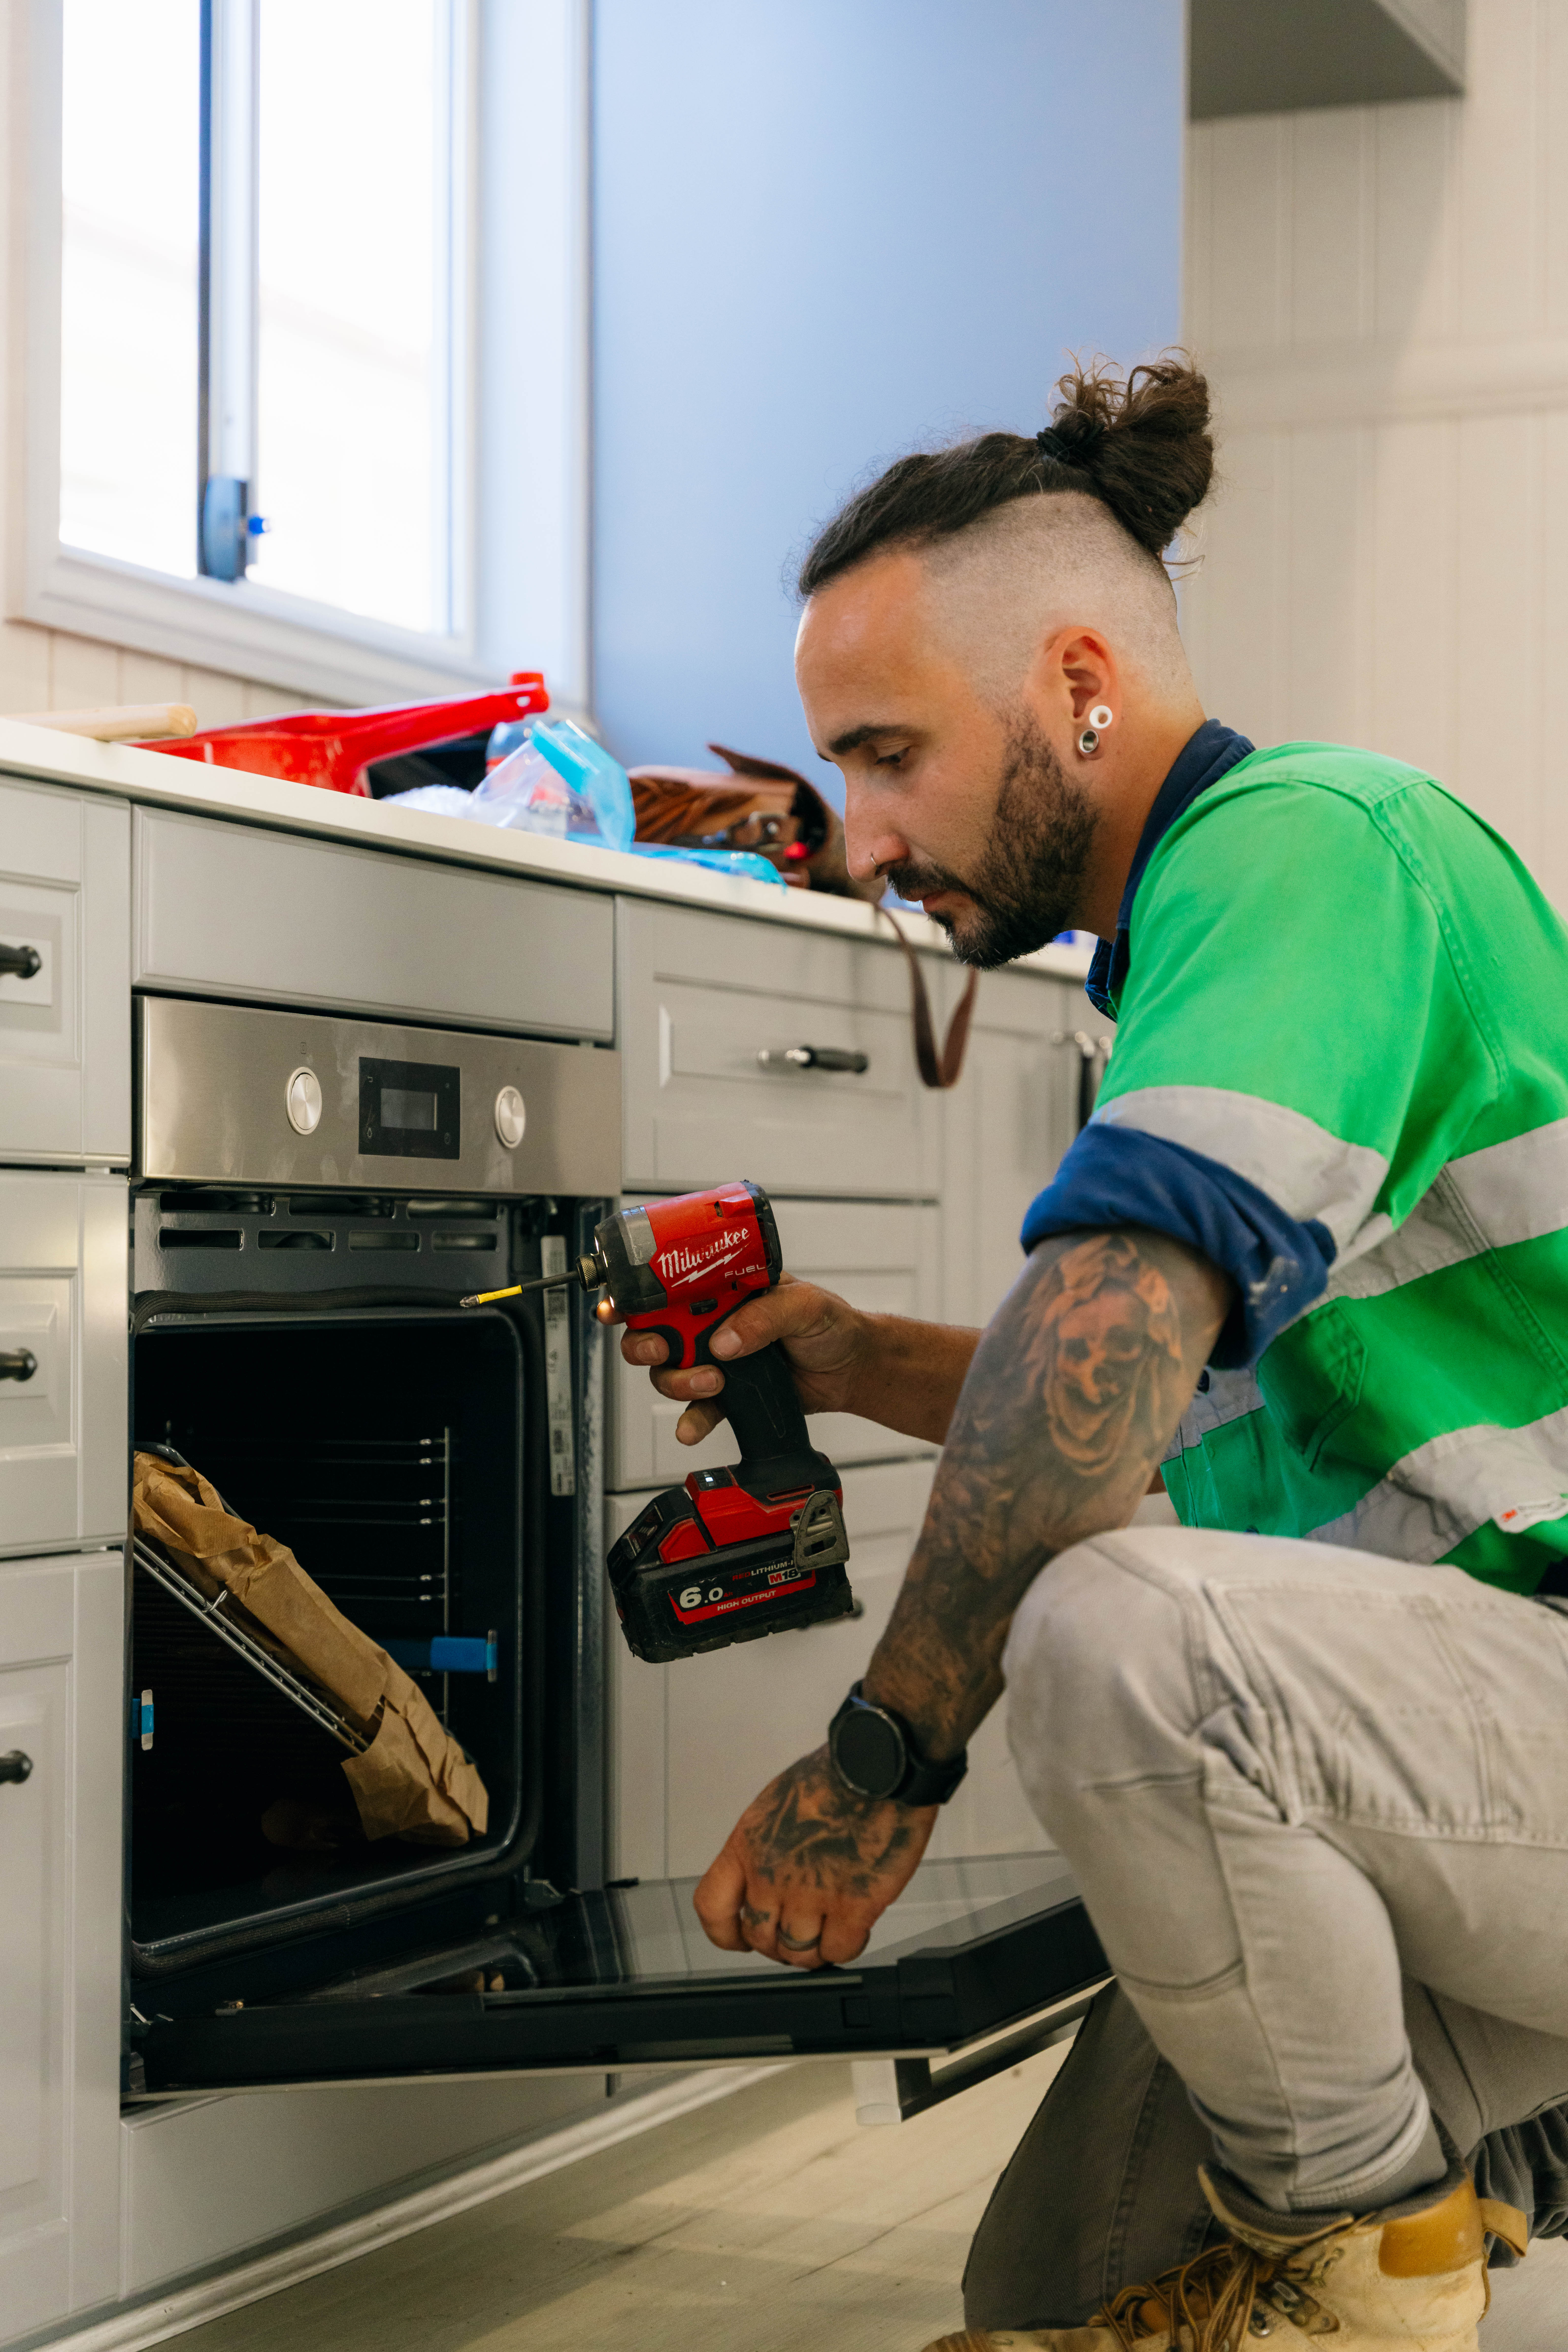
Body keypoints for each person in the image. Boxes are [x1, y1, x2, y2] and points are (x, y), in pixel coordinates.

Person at [616, 357, 1568, 2350]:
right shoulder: (1191, 948)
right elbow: (1165, 1392)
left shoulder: (1303, 846)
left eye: (885, 756)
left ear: (1073, 685)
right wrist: (865, 1355)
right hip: (1468, 1751)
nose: (855, 839)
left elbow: (1110, 1347)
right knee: (1057, 2293)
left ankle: (1373, 2282)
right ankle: (1388, 2203)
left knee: (1114, 1636)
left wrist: (878, 1760)